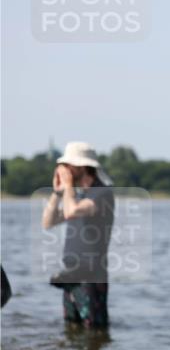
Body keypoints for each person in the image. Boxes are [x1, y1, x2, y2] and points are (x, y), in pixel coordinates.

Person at [41, 141, 115, 329]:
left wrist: (67, 187)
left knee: (94, 331)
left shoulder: (102, 194)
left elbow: (71, 211)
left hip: (92, 277)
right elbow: (48, 222)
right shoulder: (78, 196)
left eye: (68, 166)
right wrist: (57, 193)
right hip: (72, 275)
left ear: (82, 167)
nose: (64, 170)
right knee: (71, 329)